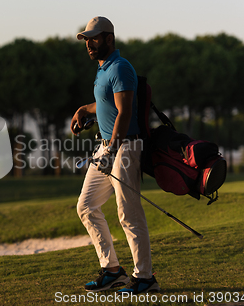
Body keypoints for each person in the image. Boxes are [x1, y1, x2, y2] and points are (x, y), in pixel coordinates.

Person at [70, 16, 160, 295]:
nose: (89, 44)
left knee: (129, 215)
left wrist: (111, 151)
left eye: (94, 38)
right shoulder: (103, 69)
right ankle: (112, 271)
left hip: (124, 149)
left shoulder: (120, 68)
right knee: (85, 207)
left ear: (109, 38)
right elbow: (106, 104)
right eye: (86, 39)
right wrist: (85, 110)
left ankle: (145, 278)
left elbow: (125, 111)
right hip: (106, 148)